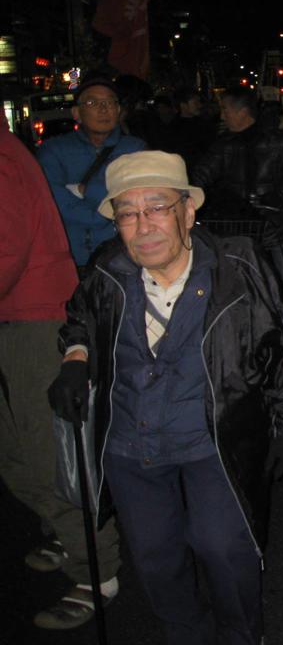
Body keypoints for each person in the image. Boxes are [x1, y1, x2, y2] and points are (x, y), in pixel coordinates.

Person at [47, 150, 283, 645]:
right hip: (132, 442)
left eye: (157, 207)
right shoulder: (108, 271)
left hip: (212, 436)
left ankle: (240, 635)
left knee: (223, 548)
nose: (143, 224)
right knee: (155, 557)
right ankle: (186, 634)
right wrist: (75, 360)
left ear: (188, 212)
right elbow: (79, 320)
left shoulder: (235, 266)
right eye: (127, 213)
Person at [0, 111, 121, 630]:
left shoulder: (3, 157)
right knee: (16, 453)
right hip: (17, 315)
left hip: (35, 315)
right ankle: (63, 529)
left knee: (48, 450)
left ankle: (99, 569)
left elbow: (7, 249)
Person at [191, 87, 283, 352]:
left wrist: (277, 195)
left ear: (240, 111)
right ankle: (261, 353)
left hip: (278, 227)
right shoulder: (224, 145)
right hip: (240, 230)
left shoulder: (280, 139)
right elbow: (201, 174)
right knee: (246, 293)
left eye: (225, 109)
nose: (222, 115)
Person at [37, 75, 146, 271]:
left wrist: (87, 190)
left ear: (119, 110)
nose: (103, 109)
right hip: (71, 257)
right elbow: (53, 200)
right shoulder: (54, 150)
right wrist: (106, 213)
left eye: (110, 102)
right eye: (92, 102)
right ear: (76, 113)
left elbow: (139, 195)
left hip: (125, 255)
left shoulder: (135, 149)